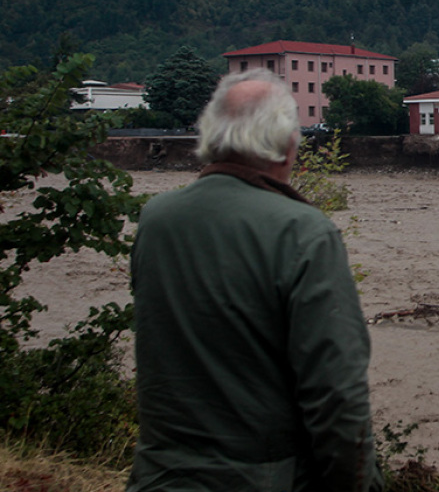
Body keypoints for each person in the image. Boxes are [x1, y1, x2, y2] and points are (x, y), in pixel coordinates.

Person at [128, 69, 382, 492]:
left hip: (160, 476)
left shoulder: (156, 220)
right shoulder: (303, 232)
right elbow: (337, 396)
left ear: (209, 137)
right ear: (286, 147)